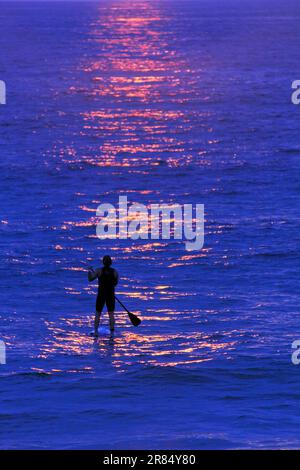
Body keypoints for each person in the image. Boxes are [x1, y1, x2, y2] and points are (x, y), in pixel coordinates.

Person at [88, 255, 119, 336]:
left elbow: (90, 279)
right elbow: (115, 283)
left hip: (101, 294)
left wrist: (89, 271)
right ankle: (112, 333)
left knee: (98, 313)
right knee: (111, 314)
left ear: (103, 262)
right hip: (111, 295)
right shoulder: (115, 272)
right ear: (111, 263)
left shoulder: (99, 271)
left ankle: (96, 331)